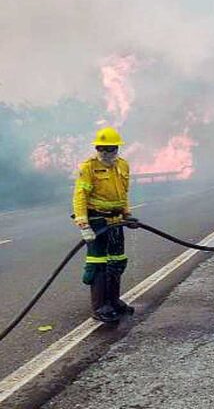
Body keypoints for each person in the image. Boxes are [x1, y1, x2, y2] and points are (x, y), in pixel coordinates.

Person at [72, 127, 137, 323]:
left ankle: (114, 301)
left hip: (116, 221)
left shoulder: (123, 165)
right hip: (97, 221)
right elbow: (80, 196)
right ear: (97, 148)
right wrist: (84, 225)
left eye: (110, 148)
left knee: (116, 261)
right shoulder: (88, 167)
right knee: (98, 264)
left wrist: (127, 215)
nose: (106, 153)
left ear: (117, 148)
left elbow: (122, 193)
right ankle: (100, 307)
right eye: (101, 148)